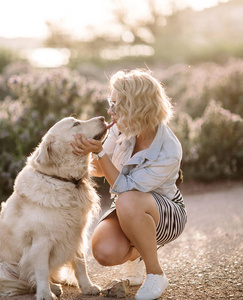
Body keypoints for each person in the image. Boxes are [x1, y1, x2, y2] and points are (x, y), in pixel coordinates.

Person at [71, 69, 187, 300]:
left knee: (127, 199)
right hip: (128, 207)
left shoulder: (168, 150)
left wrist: (100, 151)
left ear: (138, 107)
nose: (110, 111)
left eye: (116, 104)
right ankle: (138, 254)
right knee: (104, 252)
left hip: (166, 213)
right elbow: (101, 169)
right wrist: (82, 153)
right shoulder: (122, 129)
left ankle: (155, 274)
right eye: (110, 102)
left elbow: (125, 188)